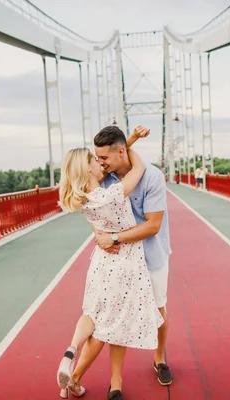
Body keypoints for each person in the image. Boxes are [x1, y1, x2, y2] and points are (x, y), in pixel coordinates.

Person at [56, 126, 164, 400]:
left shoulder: (85, 199)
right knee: (109, 325)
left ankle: (71, 349)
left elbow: (114, 156)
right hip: (126, 263)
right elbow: (135, 166)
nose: (99, 162)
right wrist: (134, 145)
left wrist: (127, 142)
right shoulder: (112, 192)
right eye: (94, 160)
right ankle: (79, 376)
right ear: (90, 170)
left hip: (101, 263)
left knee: (90, 314)